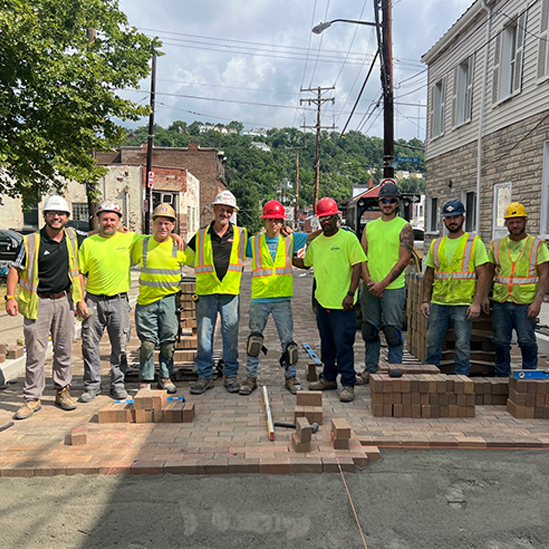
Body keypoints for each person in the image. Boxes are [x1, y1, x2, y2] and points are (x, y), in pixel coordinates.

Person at [6, 195, 85, 420]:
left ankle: (62, 391)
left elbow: (98, 235)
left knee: (64, 349)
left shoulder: (73, 238)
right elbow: (15, 269)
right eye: (52, 213)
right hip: (38, 303)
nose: (56, 217)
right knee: (35, 351)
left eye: (60, 214)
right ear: (45, 216)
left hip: (65, 301)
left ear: (67, 217)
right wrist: (10, 297)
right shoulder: (30, 241)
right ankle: (32, 398)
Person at [293, 197, 366, 402]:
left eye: (329, 218)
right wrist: (284, 257)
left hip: (343, 304)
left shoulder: (348, 239)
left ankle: (348, 383)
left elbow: (357, 266)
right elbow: (306, 263)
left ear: (336, 217)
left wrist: (351, 293)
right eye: (322, 219)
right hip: (322, 302)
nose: (325, 222)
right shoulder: (316, 243)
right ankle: (329, 378)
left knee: (343, 345)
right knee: (327, 344)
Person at [239, 200, 310, 396]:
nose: (274, 224)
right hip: (259, 298)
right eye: (270, 220)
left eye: (277, 220)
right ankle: (250, 378)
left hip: (282, 299)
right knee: (254, 340)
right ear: (264, 221)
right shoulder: (253, 242)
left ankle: (291, 377)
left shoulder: (290, 240)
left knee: (288, 342)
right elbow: (231, 242)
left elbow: (315, 235)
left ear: (282, 222)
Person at [77, 201, 144, 401]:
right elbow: (80, 273)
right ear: (98, 220)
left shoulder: (129, 238)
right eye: (105, 219)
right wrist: (80, 300)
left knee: (120, 345)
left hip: (119, 301)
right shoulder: (89, 243)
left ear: (119, 221)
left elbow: (157, 236)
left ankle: (117, 384)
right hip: (93, 301)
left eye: (113, 219)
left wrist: (174, 236)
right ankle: (92, 385)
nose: (109, 223)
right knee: (89, 345)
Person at [186, 190, 247, 395]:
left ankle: (230, 375)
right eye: (222, 209)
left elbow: (263, 244)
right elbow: (186, 254)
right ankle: (205, 376)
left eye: (229, 211)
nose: (225, 214)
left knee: (230, 336)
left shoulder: (241, 234)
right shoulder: (201, 234)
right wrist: (174, 236)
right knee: (204, 337)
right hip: (207, 292)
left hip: (230, 292)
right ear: (214, 210)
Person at [421, 199, 489, 376]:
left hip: (463, 303)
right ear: (444, 220)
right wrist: (425, 300)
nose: (452, 221)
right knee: (432, 344)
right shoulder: (437, 244)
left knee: (462, 345)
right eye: (449, 218)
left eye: (456, 217)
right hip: (439, 302)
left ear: (463, 218)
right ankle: (430, 377)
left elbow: (483, 274)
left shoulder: (474, 242)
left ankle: (461, 380)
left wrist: (477, 302)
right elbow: (428, 274)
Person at [131, 204, 193, 393]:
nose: (163, 227)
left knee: (168, 344)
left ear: (173, 225)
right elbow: (119, 241)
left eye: (167, 223)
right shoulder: (142, 243)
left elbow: (200, 261)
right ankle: (145, 380)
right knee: (148, 344)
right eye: (160, 223)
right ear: (153, 223)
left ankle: (165, 377)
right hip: (147, 302)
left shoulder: (179, 246)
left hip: (169, 302)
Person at [358, 182, 413, 385]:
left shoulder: (404, 227)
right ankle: (370, 369)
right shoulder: (370, 227)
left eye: (391, 200)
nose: (387, 204)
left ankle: (394, 367)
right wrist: (368, 281)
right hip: (370, 288)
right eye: (384, 200)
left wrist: (383, 284)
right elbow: (361, 256)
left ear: (397, 203)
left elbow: (404, 259)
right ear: (378, 202)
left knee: (392, 330)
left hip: (393, 288)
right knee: (369, 330)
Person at [486, 202, 549, 377]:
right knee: (500, 342)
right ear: (506, 223)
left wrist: (538, 302)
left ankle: (529, 377)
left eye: (518, 221)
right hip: (501, 302)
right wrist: (483, 296)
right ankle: (502, 378)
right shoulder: (496, 245)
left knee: (527, 342)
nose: (515, 225)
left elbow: (545, 275)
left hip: (526, 303)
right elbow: (489, 272)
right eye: (511, 222)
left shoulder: (537, 245)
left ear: (525, 222)